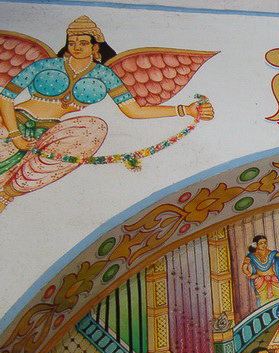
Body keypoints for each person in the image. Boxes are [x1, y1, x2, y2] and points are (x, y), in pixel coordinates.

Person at [0, 16, 214, 212]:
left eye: (83, 43)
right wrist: (15, 135)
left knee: (93, 127)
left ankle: (9, 193)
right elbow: (6, 97)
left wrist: (185, 110)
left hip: (49, 134)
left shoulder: (105, 75)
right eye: (72, 42)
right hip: (12, 123)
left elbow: (134, 111)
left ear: (95, 46)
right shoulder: (46, 65)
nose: (76, 47)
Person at [241, 235, 279, 306]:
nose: (264, 245)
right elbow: (244, 267)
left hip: (273, 280)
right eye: (261, 243)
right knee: (263, 301)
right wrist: (250, 275)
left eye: (265, 242)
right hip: (260, 281)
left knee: (278, 299)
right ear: (256, 245)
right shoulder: (251, 256)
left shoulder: (271, 253)